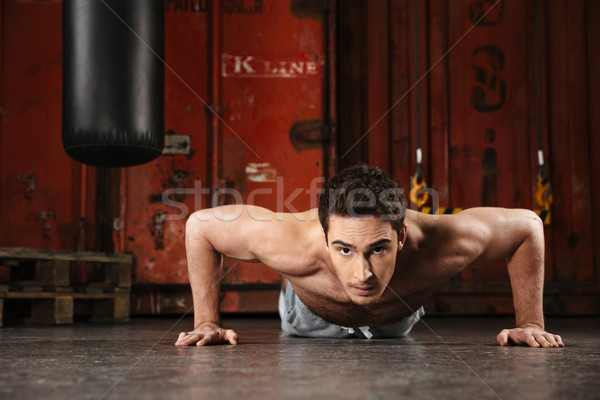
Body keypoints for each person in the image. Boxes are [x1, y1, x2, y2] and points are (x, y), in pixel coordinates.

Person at [175, 164, 564, 348]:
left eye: (378, 249)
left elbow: (527, 226)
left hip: (395, 322)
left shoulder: (443, 242)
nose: (362, 273)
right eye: (344, 249)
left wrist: (530, 321)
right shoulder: (286, 240)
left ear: (402, 236)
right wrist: (206, 321)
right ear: (326, 237)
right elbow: (200, 226)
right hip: (309, 319)